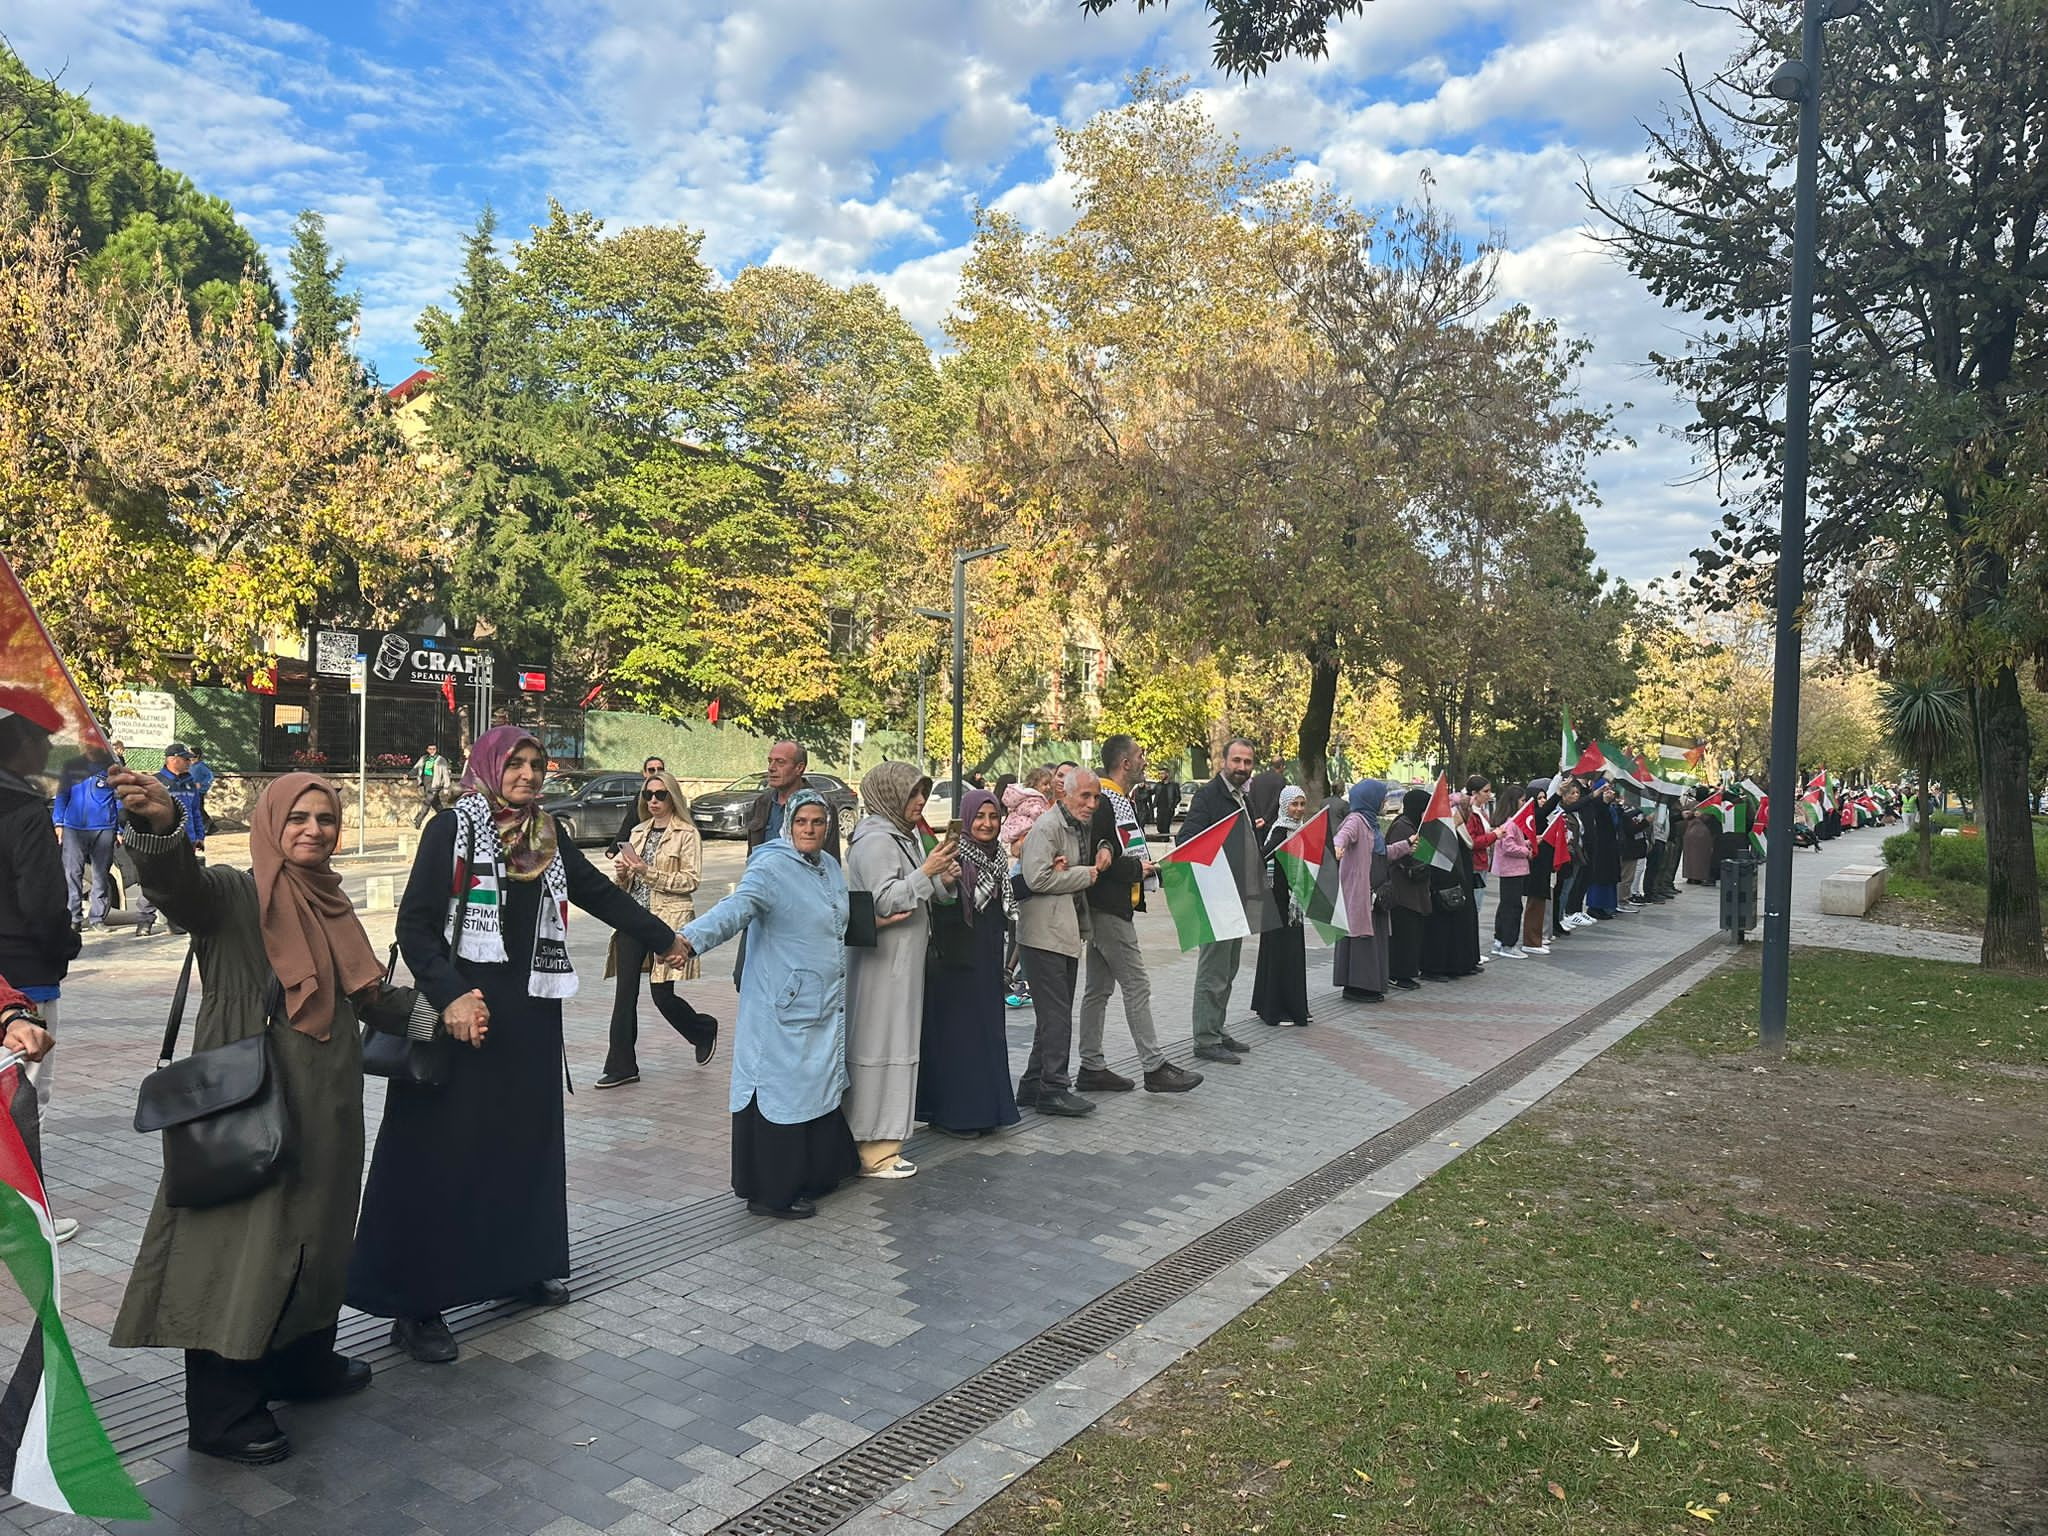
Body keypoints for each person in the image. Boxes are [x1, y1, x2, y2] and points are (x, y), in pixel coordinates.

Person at [349, 726, 685, 1366]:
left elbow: (602, 894)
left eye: (536, 765)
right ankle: (416, 1305)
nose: (528, 775)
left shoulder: (547, 838)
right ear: (489, 766)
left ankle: (517, 1267)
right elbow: (415, 926)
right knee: (439, 1158)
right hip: (462, 1021)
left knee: (520, 1149)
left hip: (529, 1020)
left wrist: (663, 936)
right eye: (517, 764)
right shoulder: (451, 829)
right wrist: (449, 996)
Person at [108, 767, 396, 1465]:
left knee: (317, 1239)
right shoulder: (238, 895)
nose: (313, 830)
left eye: (325, 818)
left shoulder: (331, 902)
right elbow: (180, 887)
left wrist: (449, 1013)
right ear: (271, 822)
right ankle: (223, 1411)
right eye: (297, 817)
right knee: (238, 1249)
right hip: (250, 1104)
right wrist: (161, 824)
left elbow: (370, 997)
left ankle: (301, 1365)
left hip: (325, 1110)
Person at [673, 790, 858, 1218]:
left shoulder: (829, 866)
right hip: (784, 1002)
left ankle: (816, 1175)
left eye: (817, 822)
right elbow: (737, 907)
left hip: (823, 1001)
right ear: (787, 824)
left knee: (815, 1085)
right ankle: (772, 1191)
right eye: (801, 822)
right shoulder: (771, 866)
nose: (809, 830)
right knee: (781, 1091)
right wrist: (689, 940)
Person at [842, 762, 957, 1179]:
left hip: (901, 964)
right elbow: (885, 901)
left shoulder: (899, 837)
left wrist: (941, 877)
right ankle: (873, 1148)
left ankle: (886, 1142)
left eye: (922, 793)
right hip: (882, 966)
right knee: (880, 1045)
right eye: (912, 794)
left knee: (896, 1043)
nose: (920, 802)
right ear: (890, 796)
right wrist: (928, 873)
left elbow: (917, 889)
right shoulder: (876, 841)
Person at [1076, 736, 1202, 1093]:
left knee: (1098, 989)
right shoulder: (1104, 801)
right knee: (1137, 984)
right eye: (1140, 755)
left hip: (1113, 905)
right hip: (1108, 906)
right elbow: (1097, 857)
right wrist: (1135, 871)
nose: (1146, 760)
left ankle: (1091, 1065)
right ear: (1125, 763)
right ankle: (1153, 1065)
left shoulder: (1117, 799)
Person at [0, 693, 80, 1243]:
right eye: (41, 737)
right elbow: (44, 904)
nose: (49, 747)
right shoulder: (25, 810)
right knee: (26, 1098)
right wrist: (65, 946)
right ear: (18, 743)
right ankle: (23, 1220)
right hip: (24, 975)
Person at [597, 768, 718, 1089]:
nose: (653, 800)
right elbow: (624, 882)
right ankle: (621, 1065)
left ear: (672, 797)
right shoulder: (637, 832)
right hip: (632, 918)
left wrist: (646, 871)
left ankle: (702, 1029)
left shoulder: (687, 834)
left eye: (660, 795)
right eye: (648, 795)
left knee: (662, 995)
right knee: (624, 995)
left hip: (666, 921)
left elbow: (690, 881)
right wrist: (624, 873)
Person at [915, 788, 1023, 1137]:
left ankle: (987, 1111)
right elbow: (938, 901)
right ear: (966, 818)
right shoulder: (952, 854)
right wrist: (946, 882)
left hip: (986, 957)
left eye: (993, 817)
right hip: (956, 961)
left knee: (987, 1035)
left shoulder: (996, 859)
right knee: (959, 1038)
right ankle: (956, 1115)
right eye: (979, 817)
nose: (987, 824)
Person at [1016, 768, 1114, 1116]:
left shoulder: (1075, 823)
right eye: (1085, 797)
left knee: (1052, 1016)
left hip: (1061, 933)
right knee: (1056, 1016)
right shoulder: (1049, 826)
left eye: (1096, 797)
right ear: (1065, 796)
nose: (1092, 804)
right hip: (1045, 935)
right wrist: (1083, 874)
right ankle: (1053, 1088)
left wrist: (1101, 850)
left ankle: (1033, 1084)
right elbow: (1037, 877)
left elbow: (1098, 842)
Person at [1178, 739, 1267, 1064]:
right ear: (1224, 761)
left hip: (1237, 895)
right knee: (1213, 971)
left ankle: (1216, 1028)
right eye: (1237, 761)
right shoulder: (1208, 796)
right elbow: (1186, 839)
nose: (1242, 767)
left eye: (1248, 761)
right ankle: (1204, 1039)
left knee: (1227, 969)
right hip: (1215, 897)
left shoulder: (1244, 796)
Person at [1251, 785, 1312, 1027]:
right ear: (1283, 806)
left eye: (1301, 804)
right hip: (1279, 903)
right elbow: (1263, 857)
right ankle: (1276, 1009)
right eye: (1294, 804)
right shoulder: (1280, 831)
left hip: (1292, 904)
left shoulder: (1301, 829)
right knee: (1280, 954)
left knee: (1292, 954)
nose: (1298, 809)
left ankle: (1292, 1005)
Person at [1332, 779, 1394, 1001]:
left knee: (1372, 938)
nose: (1385, 802)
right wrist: (1337, 846)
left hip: (1377, 893)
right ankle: (1357, 987)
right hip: (1361, 893)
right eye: (1382, 798)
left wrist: (1407, 845)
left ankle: (1370, 985)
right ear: (1371, 799)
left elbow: (1381, 852)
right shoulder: (1356, 820)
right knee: (1360, 939)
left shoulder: (1373, 825)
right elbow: (1343, 835)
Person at [52, 747, 120, 930]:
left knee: (100, 874)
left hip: (104, 828)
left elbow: (119, 799)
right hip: (74, 827)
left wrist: (120, 828)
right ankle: (74, 918)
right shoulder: (72, 766)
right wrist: (59, 823)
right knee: (72, 873)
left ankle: (97, 918)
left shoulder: (112, 767)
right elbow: (62, 795)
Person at [745, 740, 841, 861]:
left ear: (799, 768)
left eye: (780, 762)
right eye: (770, 761)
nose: (771, 768)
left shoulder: (819, 805)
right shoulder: (762, 803)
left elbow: (831, 859)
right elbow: (752, 854)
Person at [1384, 787, 1435, 989]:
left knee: (1412, 935)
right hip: (1403, 892)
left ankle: (1407, 972)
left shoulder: (1414, 826)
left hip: (1414, 891)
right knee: (1403, 936)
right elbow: (1396, 855)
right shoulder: (1403, 827)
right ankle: (1398, 974)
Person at [1490, 784, 1532, 958]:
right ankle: (1508, 943)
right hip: (1512, 870)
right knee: (1513, 907)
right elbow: (1508, 847)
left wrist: (1526, 843)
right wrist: (1525, 851)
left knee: (1506, 905)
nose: (1524, 804)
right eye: (1522, 800)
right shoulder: (1511, 823)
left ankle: (1500, 940)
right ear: (1514, 802)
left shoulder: (1510, 822)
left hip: (1510, 870)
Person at [1519, 779, 1558, 955]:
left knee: (1541, 902)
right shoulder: (1532, 817)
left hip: (1543, 866)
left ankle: (1537, 938)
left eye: (1545, 797)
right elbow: (1543, 812)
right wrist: (1558, 793)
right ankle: (1531, 940)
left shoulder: (1542, 819)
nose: (1543, 800)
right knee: (1534, 903)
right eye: (1540, 798)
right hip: (1535, 866)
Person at [608, 756, 668, 854]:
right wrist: (614, 848)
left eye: (660, 770)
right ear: (645, 773)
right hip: (648, 839)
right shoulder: (641, 795)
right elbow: (630, 821)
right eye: (651, 770)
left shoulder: (672, 792)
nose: (656, 773)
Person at [157, 744, 207, 856]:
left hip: (189, 840)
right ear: (173, 760)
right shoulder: (156, 783)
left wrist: (199, 836)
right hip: (165, 842)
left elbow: (196, 811)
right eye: (186, 759)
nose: (189, 763)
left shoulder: (190, 783)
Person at [411, 743, 452, 829]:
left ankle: (418, 820)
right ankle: (446, 819)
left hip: (435, 784)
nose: (432, 751)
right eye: (430, 749)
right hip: (427, 783)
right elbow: (416, 768)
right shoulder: (424, 758)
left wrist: (446, 787)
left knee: (428, 801)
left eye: (434, 749)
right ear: (427, 750)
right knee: (436, 804)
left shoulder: (441, 760)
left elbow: (445, 773)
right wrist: (408, 775)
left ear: (436, 750)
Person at [1681, 794, 1715, 885]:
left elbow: (1684, 816)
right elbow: (1711, 819)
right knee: (1701, 857)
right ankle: (1698, 877)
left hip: (1689, 833)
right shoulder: (1708, 806)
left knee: (1689, 856)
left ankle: (1689, 876)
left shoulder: (1691, 804)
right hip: (1704, 834)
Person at [186, 746, 217, 833]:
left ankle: (209, 826)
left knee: (198, 809)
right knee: (195, 809)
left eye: (191, 755)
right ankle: (208, 827)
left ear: (197, 756)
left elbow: (210, 777)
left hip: (199, 792)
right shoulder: (190, 766)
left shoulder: (201, 766)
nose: (190, 757)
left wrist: (201, 784)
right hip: (191, 791)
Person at [1153, 769, 1179, 838]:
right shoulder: (1158, 785)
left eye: (1162, 774)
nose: (1161, 775)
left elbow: (1178, 797)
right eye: (1160, 774)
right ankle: (1163, 837)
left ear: (1167, 774)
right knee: (1159, 825)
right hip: (1160, 808)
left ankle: (1165, 838)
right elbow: (1151, 792)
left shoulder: (1173, 785)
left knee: (1166, 825)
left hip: (1169, 809)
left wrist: (1173, 805)